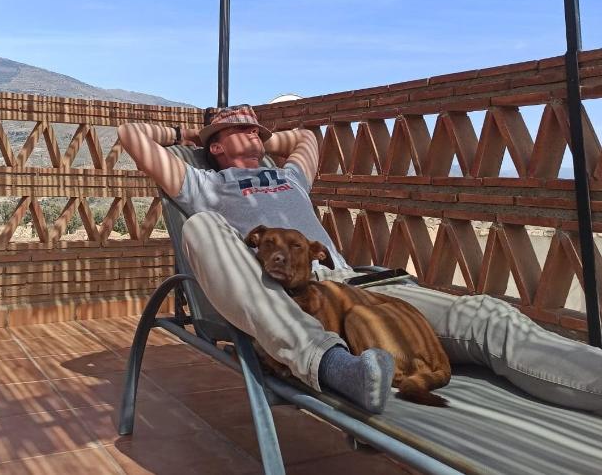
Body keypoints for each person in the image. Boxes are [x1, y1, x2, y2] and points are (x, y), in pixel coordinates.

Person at [119, 105, 602, 415]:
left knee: (486, 315)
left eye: (256, 128)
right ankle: (329, 364)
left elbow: (307, 137)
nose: (252, 130)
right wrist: (194, 131)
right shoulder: (203, 184)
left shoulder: (290, 179)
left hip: (357, 284)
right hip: (285, 296)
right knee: (203, 227)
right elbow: (131, 135)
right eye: (239, 129)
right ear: (215, 147)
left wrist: (259, 136)